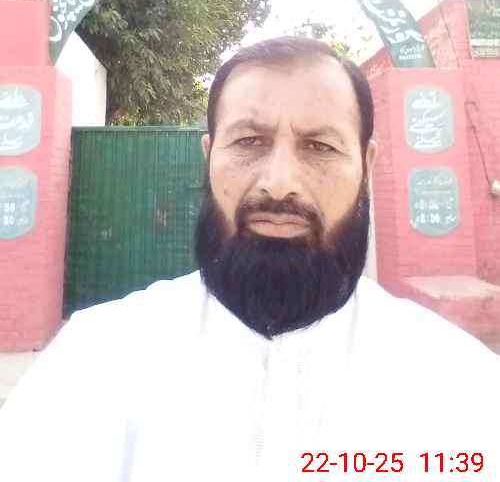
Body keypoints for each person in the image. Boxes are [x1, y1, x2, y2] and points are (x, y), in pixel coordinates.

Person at [0, 36, 499, 482]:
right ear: (208, 155)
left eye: (320, 146)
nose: (278, 183)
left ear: (366, 167)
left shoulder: (459, 384)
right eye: (249, 142)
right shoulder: (92, 361)